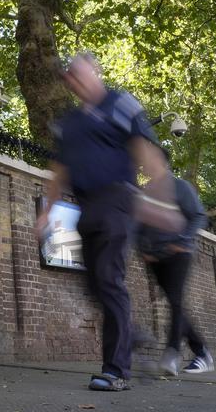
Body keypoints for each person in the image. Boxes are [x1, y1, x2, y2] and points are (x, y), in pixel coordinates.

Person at [36, 52, 176, 391]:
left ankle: (116, 371)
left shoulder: (121, 103)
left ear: (95, 71)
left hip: (118, 200)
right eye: (70, 75)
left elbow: (147, 152)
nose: (75, 78)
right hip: (86, 207)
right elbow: (61, 171)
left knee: (110, 280)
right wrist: (46, 211)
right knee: (95, 285)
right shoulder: (68, 123)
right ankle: (130, 335)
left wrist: (164, 202)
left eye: (80, 71)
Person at [135, 149, 213, 375]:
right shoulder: (144, 192)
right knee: (175, 302)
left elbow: (199, 216)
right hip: (155, 257)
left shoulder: (180, 187)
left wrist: (181, 240)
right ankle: (202, 352)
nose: (144, 164)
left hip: (179, 253)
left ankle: (172, 353)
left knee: (176, 301)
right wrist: (143, 249)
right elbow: (138, 225)